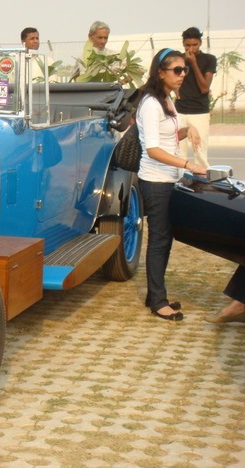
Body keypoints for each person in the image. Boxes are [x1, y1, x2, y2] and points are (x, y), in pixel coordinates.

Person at [136, 48, 206, 321]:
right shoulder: (151, 103)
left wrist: (188, 130)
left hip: (168, 179)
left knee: (165, 239)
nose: (182, 75)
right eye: (177, 70)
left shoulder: (165, 99)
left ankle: (154, 294)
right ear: (160, 72)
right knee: (159, 239)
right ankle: (158, 302)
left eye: (184, 70)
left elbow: (167, 137)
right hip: (155, 181)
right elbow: (152, 148)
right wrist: (188, 165)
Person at [175, 27, 217, 169]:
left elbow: (204, 88)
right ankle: (178, 184)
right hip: (180, 111)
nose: (191, 49)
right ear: (183, 44)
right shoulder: (178, 59)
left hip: (199, 112)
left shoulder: (209, 59)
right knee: (178, 153)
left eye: (194, 45)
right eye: (188, 45)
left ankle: (202, 184)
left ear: (200, 43)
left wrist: (193, 63)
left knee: (200, 153)